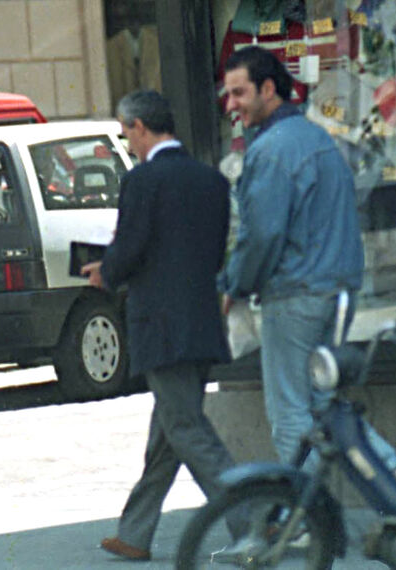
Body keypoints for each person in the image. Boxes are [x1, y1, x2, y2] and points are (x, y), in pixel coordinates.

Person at [219, 45, 396, 487]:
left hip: (296, 293)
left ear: (268, 89)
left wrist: (234, 284)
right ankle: (389, 469)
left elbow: (262, 235)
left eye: (239, 93)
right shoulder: (318, 139)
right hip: (338, 287)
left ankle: (307, 513)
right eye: (228, 94)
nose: (230, 104)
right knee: (324, 402)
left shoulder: (271, 150)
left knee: (290, 410)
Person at [82, 89, 237, 562]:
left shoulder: (143, 180)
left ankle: (254, 516)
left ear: (140, 127)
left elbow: (131, 247)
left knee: (186, 428)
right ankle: (135, 533)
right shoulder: (211, 179)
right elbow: (213, 253)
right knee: (167, 434)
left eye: (126, 132)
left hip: (161, 326)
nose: (127, 142)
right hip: (201, 321)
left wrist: (105, 272)